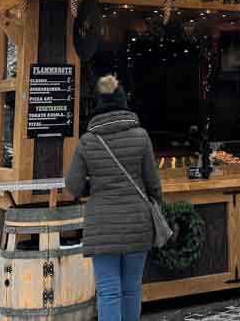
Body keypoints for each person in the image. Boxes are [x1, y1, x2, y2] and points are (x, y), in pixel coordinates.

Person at [66, 76, 162, 321]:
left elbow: (73, 186)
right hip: (137, 221)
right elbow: (153, 184)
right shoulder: (141, 136)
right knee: (132, 287)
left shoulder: (87, 141)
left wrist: (92, 185)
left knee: (108, 291)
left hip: (102, 224)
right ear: (124, 102)